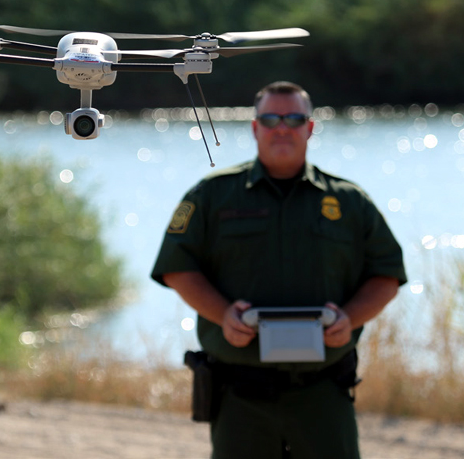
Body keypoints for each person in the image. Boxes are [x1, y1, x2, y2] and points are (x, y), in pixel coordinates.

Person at [151, 81, 407, 459]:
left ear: (310, 127)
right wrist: (222, 315)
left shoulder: (349, 201)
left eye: (294, 118)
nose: (282, 128)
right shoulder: (212, 195)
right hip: (241, 394)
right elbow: (177, 267)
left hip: (322, 392)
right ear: (255, 128)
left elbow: (386, 275)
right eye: (271, 119)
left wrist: (349, 319)